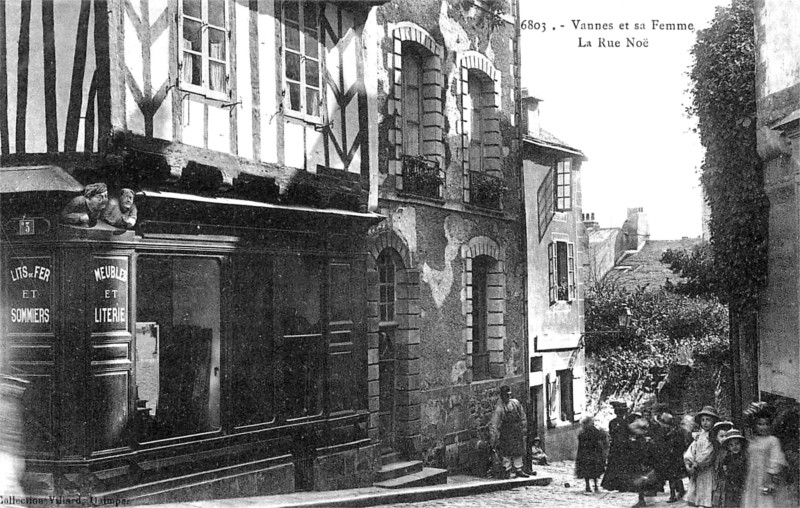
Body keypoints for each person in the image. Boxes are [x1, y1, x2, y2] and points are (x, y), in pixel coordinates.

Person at [741, 408, 789, 507]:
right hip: (752, 478)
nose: (764, 427)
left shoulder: (772, 440)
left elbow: (776, 460)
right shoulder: (752, 440)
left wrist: (771, 480)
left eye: (767, 424)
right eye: (760, 424)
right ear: (755, 425)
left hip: (766, 478)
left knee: (766, 502)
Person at [489, 385, 528, 479]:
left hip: (516, 431)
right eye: (506, 395)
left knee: (518, 450)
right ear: (502, 396)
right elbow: (494, 424)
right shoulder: (500, 409)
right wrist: (493, 438)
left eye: (509, 395)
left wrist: (524, 428)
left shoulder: (516, 403)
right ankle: (507, 469)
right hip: (506, 433)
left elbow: (522, 416)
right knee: (506, 451)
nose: (508, 397)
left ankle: (519, 469)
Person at [683, 405, 719, 508]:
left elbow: (709, 453)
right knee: (697, 494)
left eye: (708, 420)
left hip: (707, 469)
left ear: (714, 421)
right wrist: (688, 461)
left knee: (707, 493)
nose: (705, 422)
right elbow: (692, 449)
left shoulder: (713, 436)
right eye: (703, 420)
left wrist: (697, 464)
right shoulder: (700, 435)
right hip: (697, 471)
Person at [602, 400, 630, 491]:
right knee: (622, 465)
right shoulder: (625, 422)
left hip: (617, 446)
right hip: (622, 446)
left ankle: (613, 484)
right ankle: (621, 485)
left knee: (615, 465)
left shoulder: (613, 422)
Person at [575, 416, 608, 493]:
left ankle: (588, 486)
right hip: (593, 453)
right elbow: (602, 437)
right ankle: (594, 486)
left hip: (587, 453)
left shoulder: (583, 433)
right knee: (593, 470)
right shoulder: (594, 431)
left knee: (588, 470)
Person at [717, 428, 747, 508]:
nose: (734, 447)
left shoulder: (744, 457)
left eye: (737, 443)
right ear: (728, 447)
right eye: (731, 445)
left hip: (742, 484)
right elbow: (723, 469)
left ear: (741, 444)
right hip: (730, 484)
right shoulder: (727, 457)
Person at [710, 421, 733, 508]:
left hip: (727, 480)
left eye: (726, 436)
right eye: (721, 436)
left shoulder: (729, 452)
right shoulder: (716, 450)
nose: (724, 438)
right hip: (718, 481)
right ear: (716, 438)